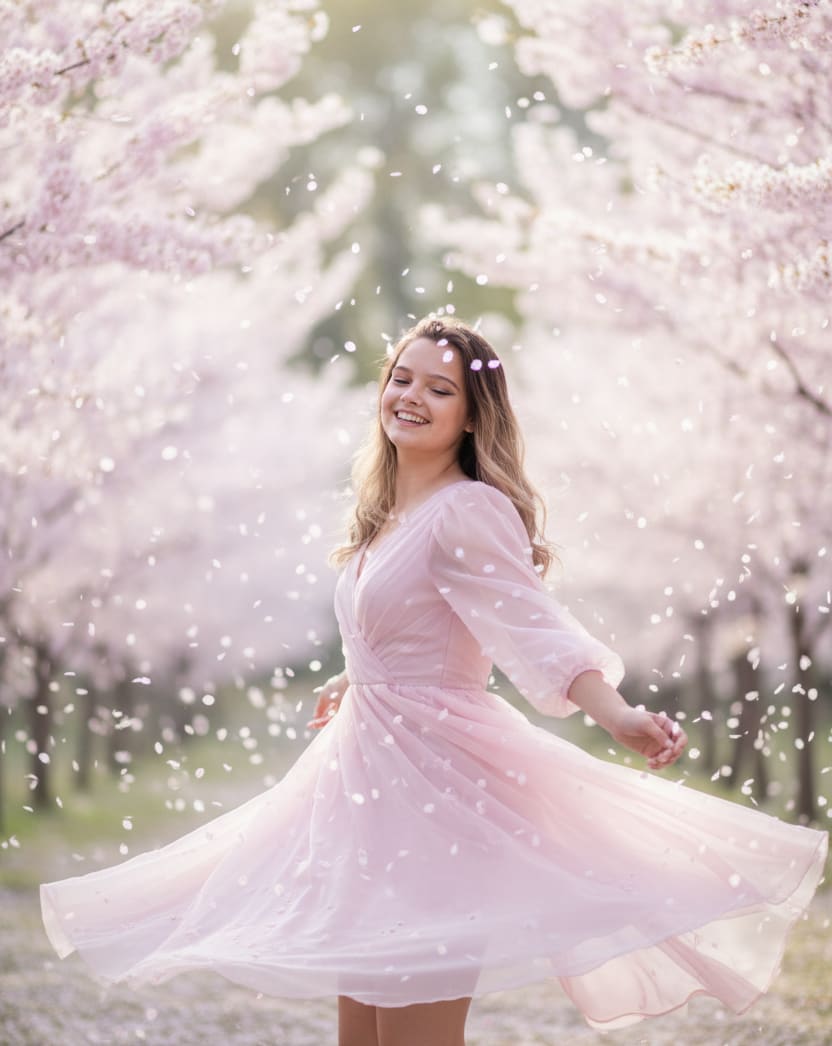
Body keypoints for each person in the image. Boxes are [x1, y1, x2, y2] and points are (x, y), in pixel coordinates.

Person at [41, 316, 828, 1046]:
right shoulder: (385, 517)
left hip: (436, 787)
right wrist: (359, 679)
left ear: (474, 415)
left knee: (414, 1023)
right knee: (364, 1026)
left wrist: (616, 714)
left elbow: (530, 628)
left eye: (440, 388)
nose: (412, 397)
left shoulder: (469, 510)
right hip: (365, 786)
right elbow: (416, 627)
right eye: (403, 378)